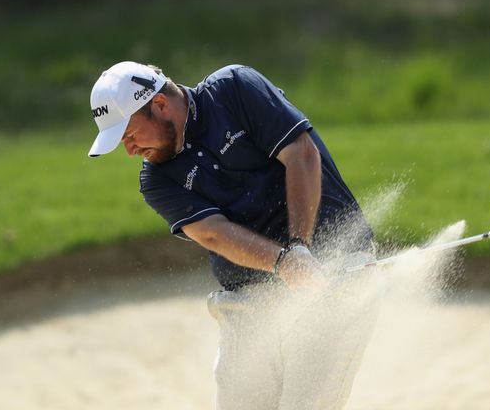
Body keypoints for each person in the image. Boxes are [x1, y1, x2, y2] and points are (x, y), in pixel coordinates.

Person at [87, 61, 380, 409]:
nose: (130, 151)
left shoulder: (234, 89)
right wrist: (284, 262)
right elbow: (213, 234)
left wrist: (300, 247)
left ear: (160, 105)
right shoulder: (157, 180)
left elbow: (301, 154)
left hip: (333, 275)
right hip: (250, 304)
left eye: (130, 135)